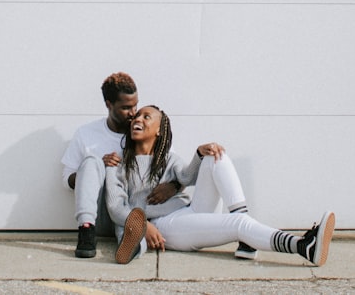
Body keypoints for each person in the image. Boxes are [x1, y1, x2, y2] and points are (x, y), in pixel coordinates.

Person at [104, 105, 335, 266]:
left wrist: (199, 153)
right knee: (239, 223)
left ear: (159, 130)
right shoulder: (118, 163)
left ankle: (247, 238)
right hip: (164, 225)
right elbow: (115, 207)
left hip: (188, 212)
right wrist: (143, 224)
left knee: (216, 154)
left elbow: (186, 178)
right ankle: (302, 246)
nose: (138, 119)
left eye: (146, 117)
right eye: (137, 116)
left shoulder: (169, 159)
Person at [60, 72, 185, 258]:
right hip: (102, 215)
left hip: (137, 211)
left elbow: (176, 169)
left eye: (135, 105)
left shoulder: (144, 130)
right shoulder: (87, 134)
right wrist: (98, 169)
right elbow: (67, 180)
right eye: (126, 107)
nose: (134, 113)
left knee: (126, 222)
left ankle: (132, 247)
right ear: (109, 105)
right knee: (92, 161)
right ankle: (86, 231)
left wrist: (174, 186)